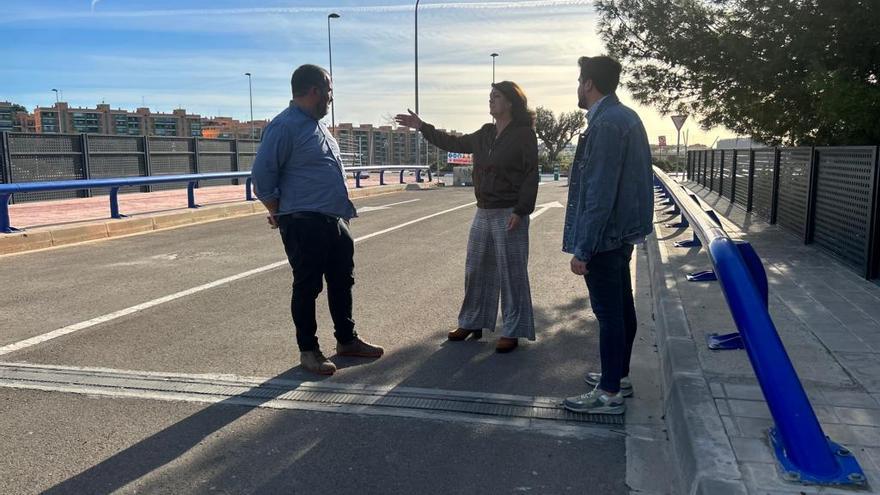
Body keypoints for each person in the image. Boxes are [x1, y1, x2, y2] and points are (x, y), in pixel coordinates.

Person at [250, 64, 384, 376]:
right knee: (307, 286)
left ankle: (347, 340)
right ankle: (308, 351)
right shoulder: (284, 126)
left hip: (334, 220)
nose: (331, 99)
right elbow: (262, 177)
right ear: (315, 91)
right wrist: (279, 212)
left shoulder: (317, 126)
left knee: (342, 281)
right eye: (329, 93)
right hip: (304, 222)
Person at [395, 81, 539, 353]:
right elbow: (453, 142)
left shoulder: (523, 135)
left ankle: (513, 329)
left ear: (511, 102)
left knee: (512, 273)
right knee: (476, 268)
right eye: (490, 97)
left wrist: (522, 211)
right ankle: (472, 321)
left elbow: (531, 174)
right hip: (483, 210)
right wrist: (422, 126)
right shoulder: (485, 134)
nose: (491, 101)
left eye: (496, 97)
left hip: (510, 211)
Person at [560, 56, 654, 414]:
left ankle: (609, 392)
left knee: (610, 313)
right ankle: (619, 375)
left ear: (588, 83)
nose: (578, 88)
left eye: (579, 80)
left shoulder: (606, 125)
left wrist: (583, 249)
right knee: (622, 307)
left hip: (605, 237)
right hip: (621, 233)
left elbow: (599, 193)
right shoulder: (625, 117)